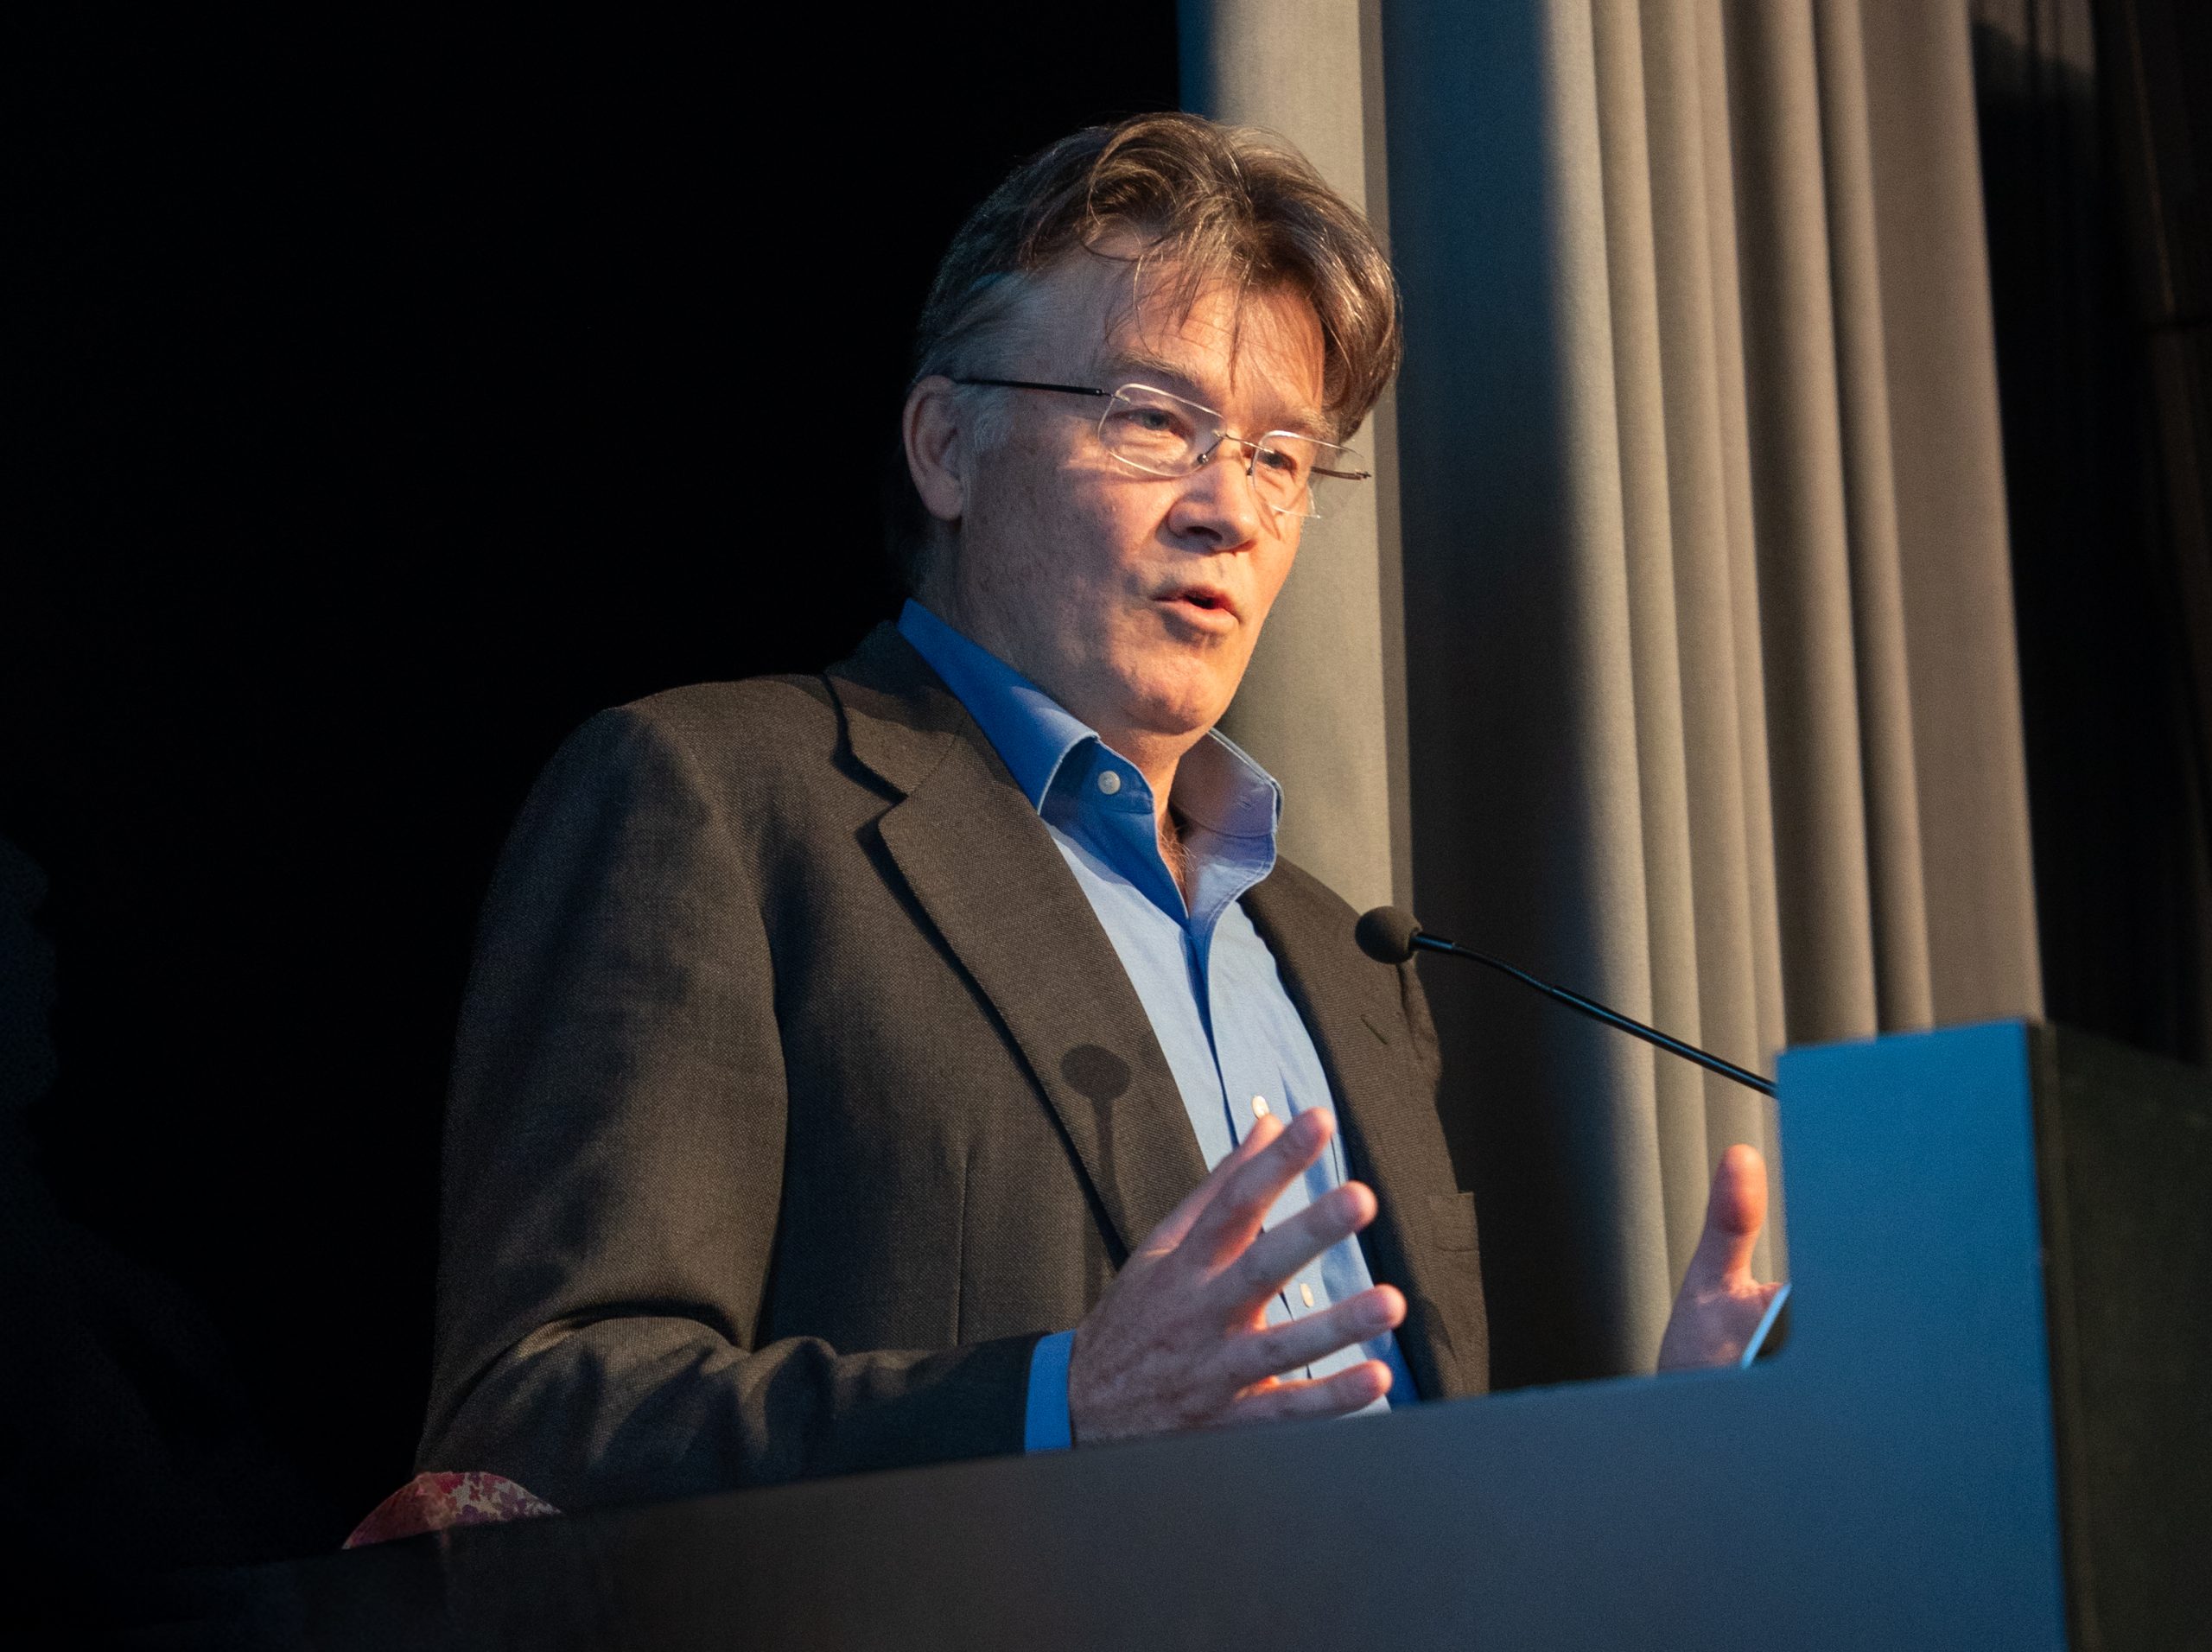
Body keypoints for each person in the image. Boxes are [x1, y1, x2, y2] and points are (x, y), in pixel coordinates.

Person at [417, 113, 1779, 1512]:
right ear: (948, 448)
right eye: (1154, 421)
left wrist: (1654, 1473)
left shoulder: (1352, 965)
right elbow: (537, 1427)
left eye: (1279, 457)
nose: (1230, 512)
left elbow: (1408, 1529)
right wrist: (1054, 1405)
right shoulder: (718, 806)